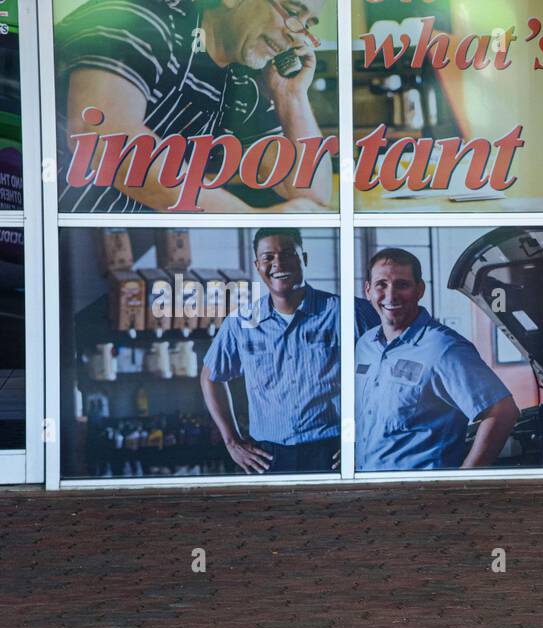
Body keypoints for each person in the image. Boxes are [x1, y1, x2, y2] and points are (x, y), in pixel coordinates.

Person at [57, 0, 331, 214]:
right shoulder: (140, 17)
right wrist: (244, 215)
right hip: (49, 236)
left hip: (121, 247)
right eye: (294, 13)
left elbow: (313, 193)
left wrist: (292, 96)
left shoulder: (241, 80)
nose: (298, 38)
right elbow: (100, 137)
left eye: (309, 25)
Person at [356, 248, 519, 471]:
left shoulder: (444, 348)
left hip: (420, 493)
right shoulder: (365, 345)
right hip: (369, 484)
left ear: (419, 290)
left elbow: (502, 411)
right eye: (381, 284)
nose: (391, 295)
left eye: (402, 285)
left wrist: (466, 478)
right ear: (368, 290)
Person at [200, 228, 339, 473]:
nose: (278, 263)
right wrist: (232, 442)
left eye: (288, 254)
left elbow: (380, 377)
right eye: (268, 257)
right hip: (268, 457)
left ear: (304, 259)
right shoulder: (240, 322)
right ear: (257, 265)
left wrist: (361, 438)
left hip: (333, 450)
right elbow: (210, 377)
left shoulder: (342, 312)